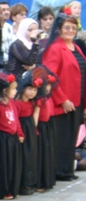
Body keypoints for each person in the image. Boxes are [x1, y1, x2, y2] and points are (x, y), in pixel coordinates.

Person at [42, 12, 86, 181]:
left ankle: (67, 169)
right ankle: (59, 170)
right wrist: (62, 99)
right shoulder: (54, 48)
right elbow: (49, 76)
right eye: (67, 27)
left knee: (71, 137)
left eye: (73, 28)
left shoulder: (77, 47)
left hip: (78, 99)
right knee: (61, 137)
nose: (70, 31)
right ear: (59, 29)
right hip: (62, 101)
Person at [0, 72, 24, 199]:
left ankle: (12, 188)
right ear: (5, 90)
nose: (16, 91)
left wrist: (19, 133)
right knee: (4, 166)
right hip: (2, 139)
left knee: (13, 165)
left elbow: (16, 120)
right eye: (13, 89)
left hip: (12, 138)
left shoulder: (12, 104)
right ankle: (2, 191)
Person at [14, 69, 43, 196]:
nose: (32, 93)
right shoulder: (17, 103)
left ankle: (30, 182)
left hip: (30, 128)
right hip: (22, 129)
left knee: (31, 156)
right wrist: (20, 133)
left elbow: (33, 116)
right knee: (24, 156)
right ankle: (23, 184)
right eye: (30, 89)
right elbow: (16, 119)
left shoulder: (32, 102)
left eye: (35, 90)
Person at [35, 66, 57, 191]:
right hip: (41, 128)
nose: (48, 88)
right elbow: (36, 115)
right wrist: (35, 129)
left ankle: (48, 179)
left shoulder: (47, 98)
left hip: (48, 125)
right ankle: (40, 182)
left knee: (48, 153)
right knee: (41, 155)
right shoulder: (40, 100)